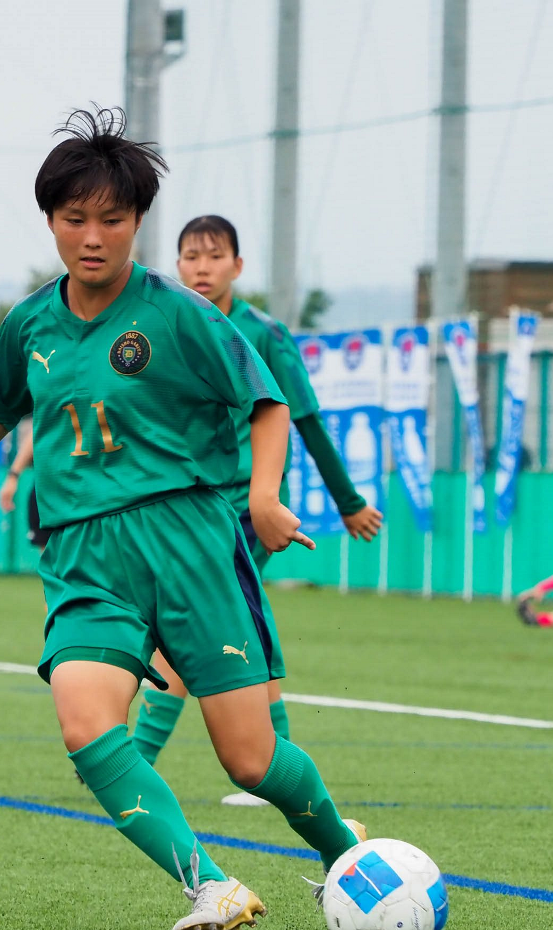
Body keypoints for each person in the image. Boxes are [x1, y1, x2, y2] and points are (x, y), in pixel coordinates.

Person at [0, 107, 365, 930]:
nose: (92, 236)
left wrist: (263, 496)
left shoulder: (181, 315)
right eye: (74, 219)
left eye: (111, 219)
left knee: (251, 762)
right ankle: (211, 884)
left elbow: (267, 404)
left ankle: (350, 855)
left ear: (137, 223)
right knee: (84, 724)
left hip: (189, 542)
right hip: (82, 552)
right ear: (50, 220)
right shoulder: (29, 326)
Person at [130, 215, 382, 806]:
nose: (201, 267)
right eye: (190, 256)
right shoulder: (170, 325)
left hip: (245, 510)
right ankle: (271, 763)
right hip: (185, 507)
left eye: (214, 257)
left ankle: (136, 760)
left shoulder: (263, 334)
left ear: (238, 268)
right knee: (228, 620)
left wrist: (347, 502)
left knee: (191, 626)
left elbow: (304, 417)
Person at [0, 423, 51, 552]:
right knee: (49, 559)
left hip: (88, 484)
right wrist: (13, 476)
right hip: (49, 483)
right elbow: (38, 429)